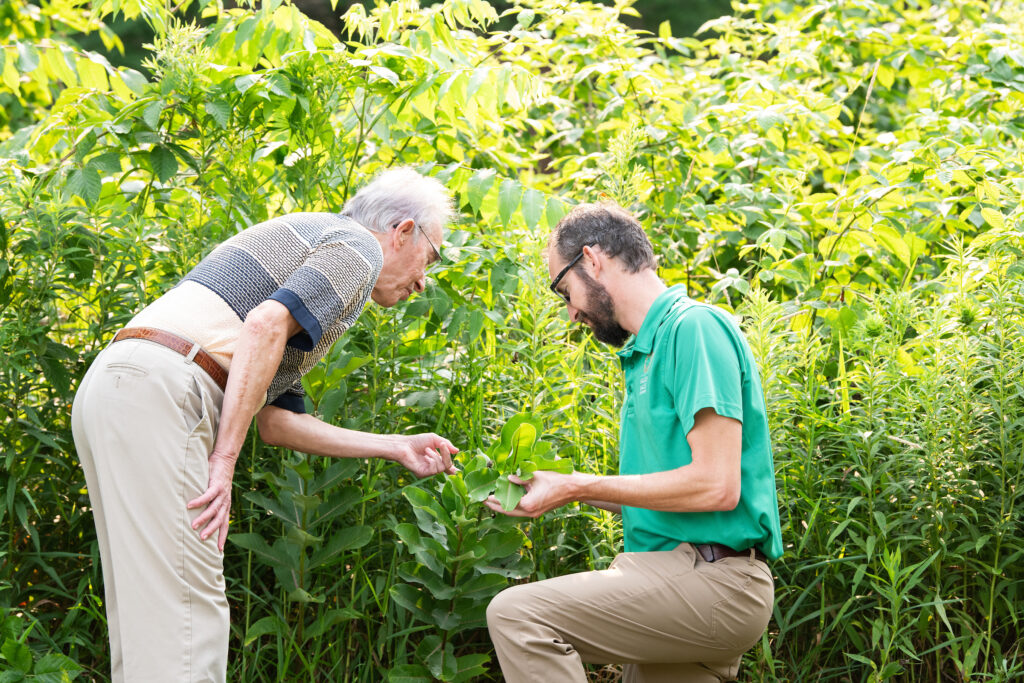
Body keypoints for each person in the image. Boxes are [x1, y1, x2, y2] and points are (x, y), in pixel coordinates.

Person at [70, 167, 459, 683]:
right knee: (188, 612)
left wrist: (396, 446)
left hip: (119, 383)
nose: (422, 281)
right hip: (167, 387)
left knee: (151, 614)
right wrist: (224, 461)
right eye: (430, 257)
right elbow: (264, 326)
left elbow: (276, 423)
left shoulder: (313, 245)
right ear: (402, 231)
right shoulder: (358, 250)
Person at [485, 202, 783, 682]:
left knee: (520, 616)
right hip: (674, 580)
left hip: (713, 581)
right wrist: (559, 487)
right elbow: (672, 494)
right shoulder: (644, 354)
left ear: (593, 259)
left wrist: (579, 485)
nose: (570, 313)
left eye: (565, 290)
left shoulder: (693, 328)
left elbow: (717, 486)